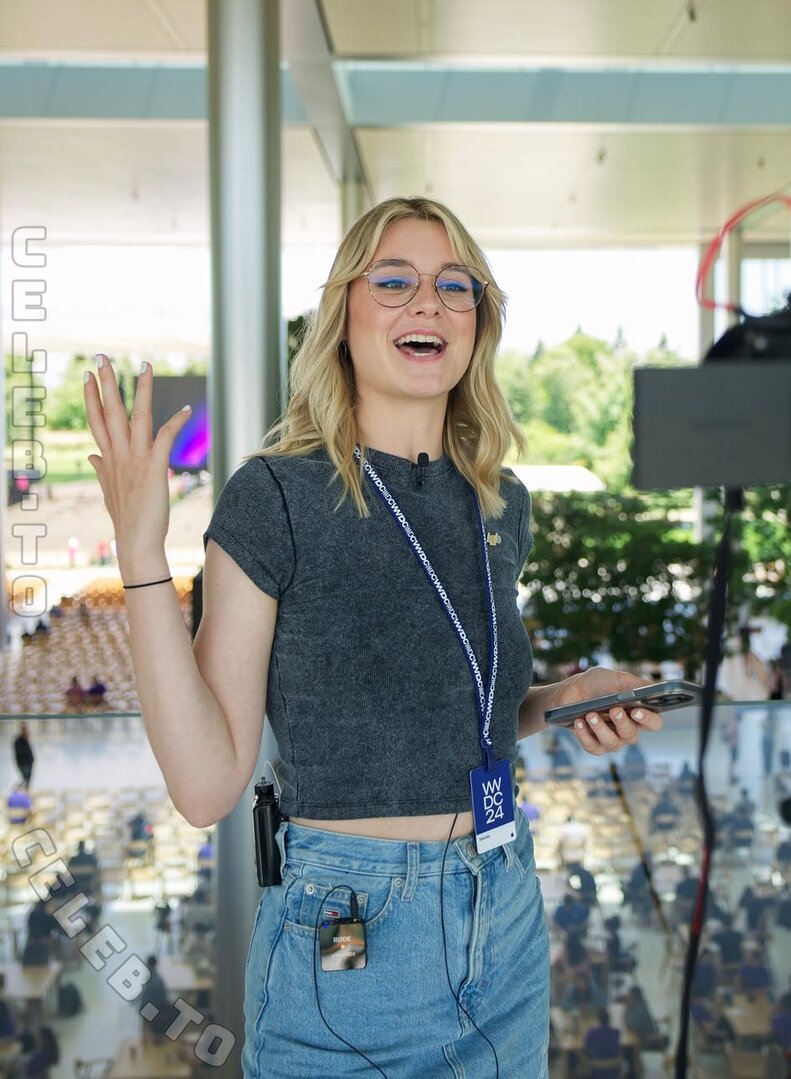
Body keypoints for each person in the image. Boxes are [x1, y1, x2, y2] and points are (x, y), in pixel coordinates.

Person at [84, 195, 666, 1076]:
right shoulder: (275, 497)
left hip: (504, 910)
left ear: (478, 321)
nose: (427, 301)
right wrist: (139, 551)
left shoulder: (500, 501)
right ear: (343, 315)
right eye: (394, 281)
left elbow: (460, 704)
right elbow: (204, 786)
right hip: (350, 931)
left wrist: (560, 698)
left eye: (454, 285)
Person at [582, 1007, 621, 1079]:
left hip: (595, 1069)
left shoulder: (591, 1033)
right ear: (609, 1019)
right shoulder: (616, 1032)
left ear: (598, 1020)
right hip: (613, 1069)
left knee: (582, 1056)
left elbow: (585, 1044)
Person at [138, 955, 172, 1039]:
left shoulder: (148, 979)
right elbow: (164, 1000)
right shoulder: (158, 980)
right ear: (156, 964)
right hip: (153, 1011)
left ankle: (145, 1038)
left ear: (147, 965)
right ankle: (161, 1036)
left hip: (144, 1009)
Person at [13, 723, 34, 788]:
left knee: (26, 780)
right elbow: (21, 753)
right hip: (24, 764)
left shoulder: (25, 740)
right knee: (25, 780)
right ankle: (17, 790)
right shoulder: (18, 741)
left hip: (28, 764)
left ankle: (23, 791)